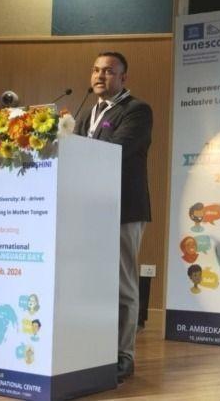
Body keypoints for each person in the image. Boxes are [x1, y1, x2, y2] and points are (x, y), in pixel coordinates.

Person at [75, 51, 152, 383]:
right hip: (89, 211)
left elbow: (115, 151)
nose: (99, 76)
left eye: (108, 71)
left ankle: (123, 355)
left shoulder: (136, 110)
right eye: (95, 70)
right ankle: (95, 347)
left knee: (122, 284)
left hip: (124, 209)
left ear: (123, 78)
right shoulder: (88, 112)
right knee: (91, 282)